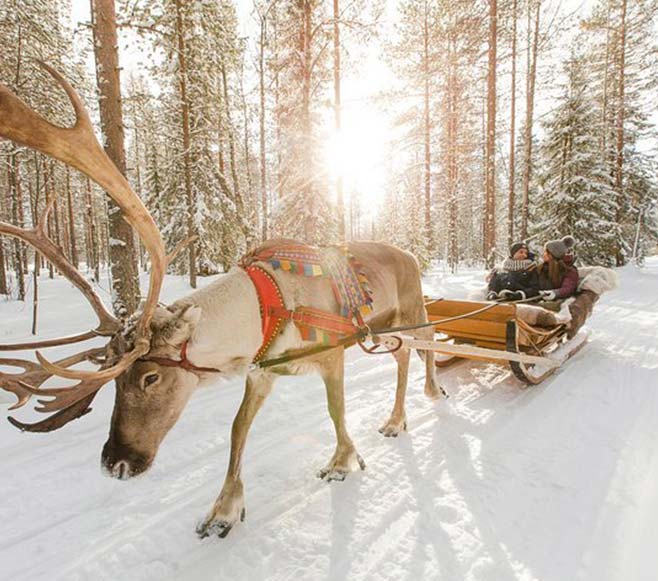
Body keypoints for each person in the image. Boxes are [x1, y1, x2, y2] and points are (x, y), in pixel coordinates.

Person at [537, 235, 579, 301]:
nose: (543, 254)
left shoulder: (569, 270)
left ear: (552, 254)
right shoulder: (542, 267)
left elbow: (568, 288)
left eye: (546, 252)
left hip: (560, 302)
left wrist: (555, 293)